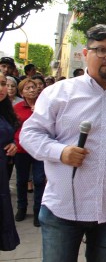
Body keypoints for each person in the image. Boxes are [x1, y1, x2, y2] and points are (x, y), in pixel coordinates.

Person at [20, 24, 106, 262]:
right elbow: (29, 134)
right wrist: (60, 152)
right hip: (63, 209)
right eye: (101, 50)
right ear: (86, 54)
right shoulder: (59, 93)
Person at [13, 78, 45, 227]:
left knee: (39, 180)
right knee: (21, 180)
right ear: (22, 92)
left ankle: (38, 211)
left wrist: (39, 113)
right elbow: (13, 128)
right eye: (28, 88)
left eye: (33, 87)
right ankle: (21, 207)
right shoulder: (17, 108)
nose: (32, 90)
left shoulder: (44, 106)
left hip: (39, 149)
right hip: (21, 150)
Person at [0, 72, 20, 251]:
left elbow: (8, 135)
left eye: (3, 83)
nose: (1, 88)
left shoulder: (5, 110)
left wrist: (12, 144)